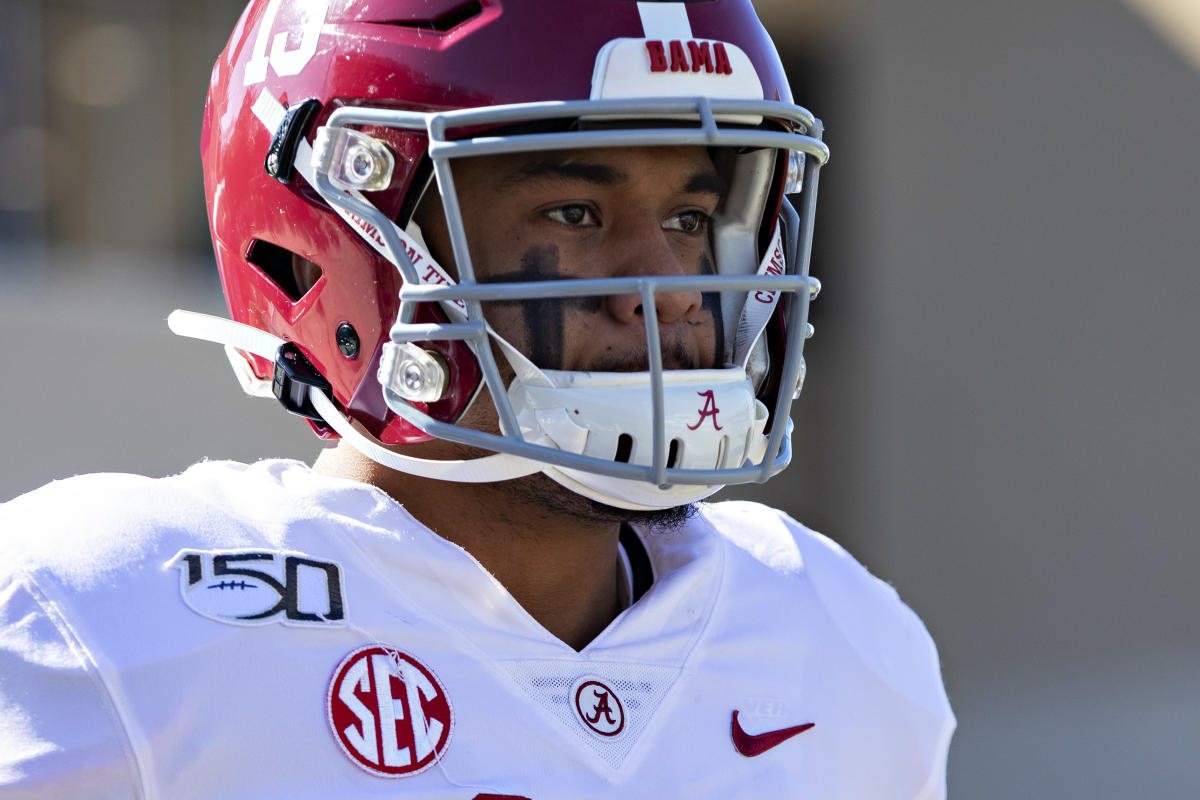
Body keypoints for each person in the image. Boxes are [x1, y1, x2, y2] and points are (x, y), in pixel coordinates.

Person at [0, 0, 954, 796]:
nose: (667, 287)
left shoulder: (839, 640)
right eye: (574, 213)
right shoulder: (100, 622)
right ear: (334, 240)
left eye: (693, 216)